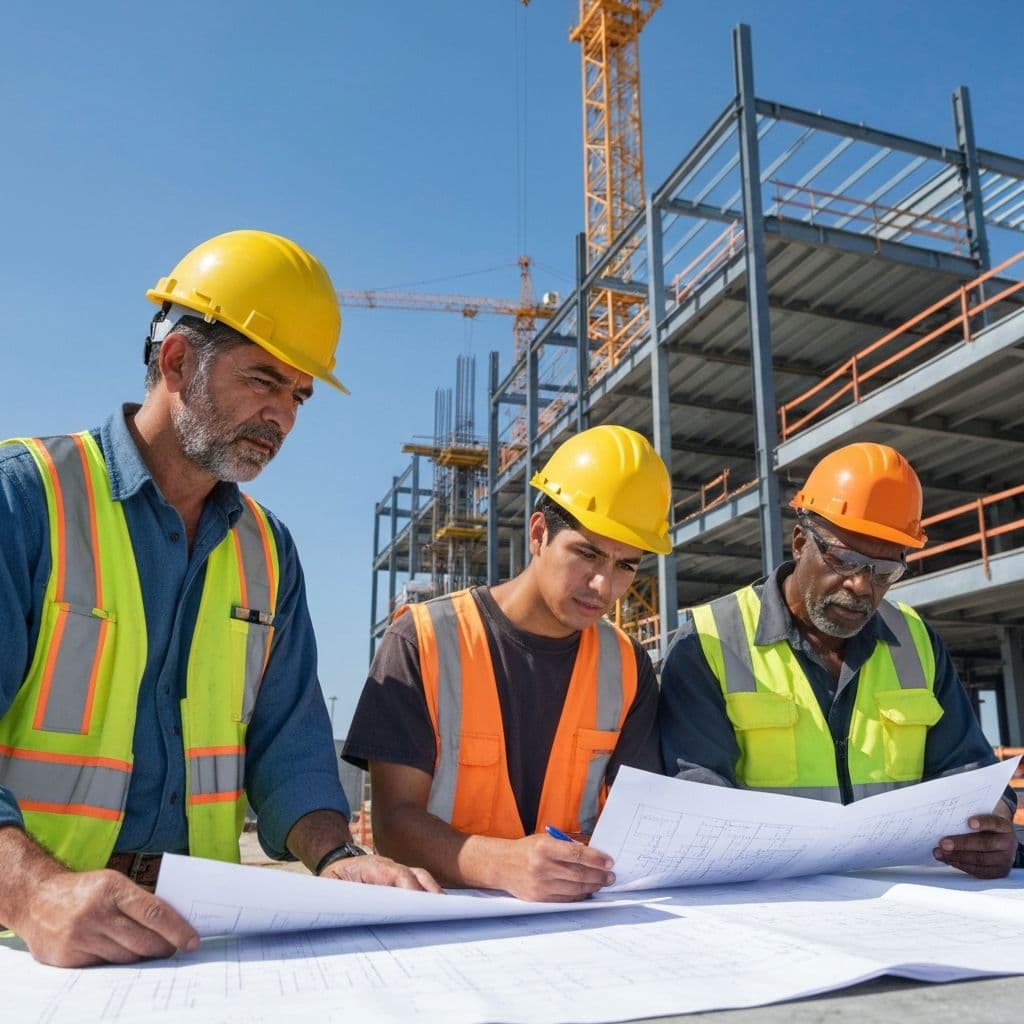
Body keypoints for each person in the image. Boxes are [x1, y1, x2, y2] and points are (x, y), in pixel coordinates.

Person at [0, 229, 438, 968]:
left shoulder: (269, 553)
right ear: (176, 362)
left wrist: (335, 857)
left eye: (299, 395)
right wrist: (34, 893)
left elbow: (289, 747)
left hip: (193, 940)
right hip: (23, 943)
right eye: (264, 380)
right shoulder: (26, 501)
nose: (285, 417)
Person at [659, 441, 1018, 879]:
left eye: (884, 572)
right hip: (765, 906)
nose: (861, 586)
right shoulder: (711, 639)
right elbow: (696, 796)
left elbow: (969, 769)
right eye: (846, 559)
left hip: (903, 901)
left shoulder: (916, 639)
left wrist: (991, 825)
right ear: (799, 542)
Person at [343, 425, 671, 901]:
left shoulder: (627, 666)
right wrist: (503, 864)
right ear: (539, 534)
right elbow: (393, 823)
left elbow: (637, 824)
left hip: (578, 926)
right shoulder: (423, 640)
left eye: (626, 565)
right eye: (587, 553)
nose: (604, 586)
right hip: (441, 917)